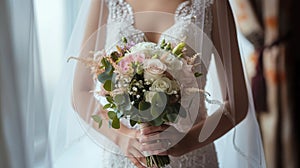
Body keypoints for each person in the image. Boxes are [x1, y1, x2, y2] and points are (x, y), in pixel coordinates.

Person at [48, 0, 266, 167]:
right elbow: (80, 91)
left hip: (192, 158)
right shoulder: (106, 1)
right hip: (126, 158)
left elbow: (236, 105)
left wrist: (186, 141)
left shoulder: (210, 3)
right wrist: (122, 138)